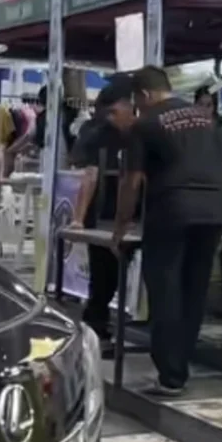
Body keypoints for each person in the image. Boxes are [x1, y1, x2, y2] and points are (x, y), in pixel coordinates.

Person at [109, 66, 222, 396]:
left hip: (173, 210)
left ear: (145, 95)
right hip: (213, 211)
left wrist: (121, 226)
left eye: (137, 99)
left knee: (165, 289)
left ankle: (170, 375)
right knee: (194, 291)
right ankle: (180, 368)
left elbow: (132, 181)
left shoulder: (145, 124)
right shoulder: (209, 119)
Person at [68, 78, 135, 354]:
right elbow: (90, 176)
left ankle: (97, 327)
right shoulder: (97, 133)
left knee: (108, 273)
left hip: (121, 215)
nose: (132, 110)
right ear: (114, 108)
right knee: (105, 273)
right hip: (105, 214)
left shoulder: (127, 132)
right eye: (128, 106)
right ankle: (96, 329)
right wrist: (79, 218)